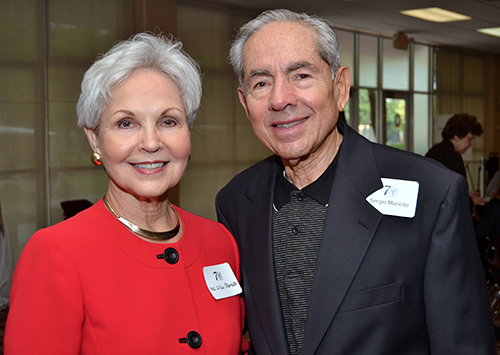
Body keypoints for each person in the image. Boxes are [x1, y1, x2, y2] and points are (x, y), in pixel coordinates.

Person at [216, 9, 496, 355]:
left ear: (341, 87)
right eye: (261, 83)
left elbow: (463, 345)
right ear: (246, 103)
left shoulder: (431, 193)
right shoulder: (236, 203)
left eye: (301, 75)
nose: (280, 99)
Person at [5, 33, 248, 354]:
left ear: (188, 132)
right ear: (94, 139)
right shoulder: (56, 254)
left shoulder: (220, 242)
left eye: (168, 121)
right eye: (126, 123)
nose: (150, 142)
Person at [426, 113, 485, 208]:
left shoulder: (435, 151)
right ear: (456, 136)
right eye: (470, 139)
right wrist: (471, 201)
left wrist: (468, 195)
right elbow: (455, 198)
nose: (472, 144)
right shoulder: (452, 157)